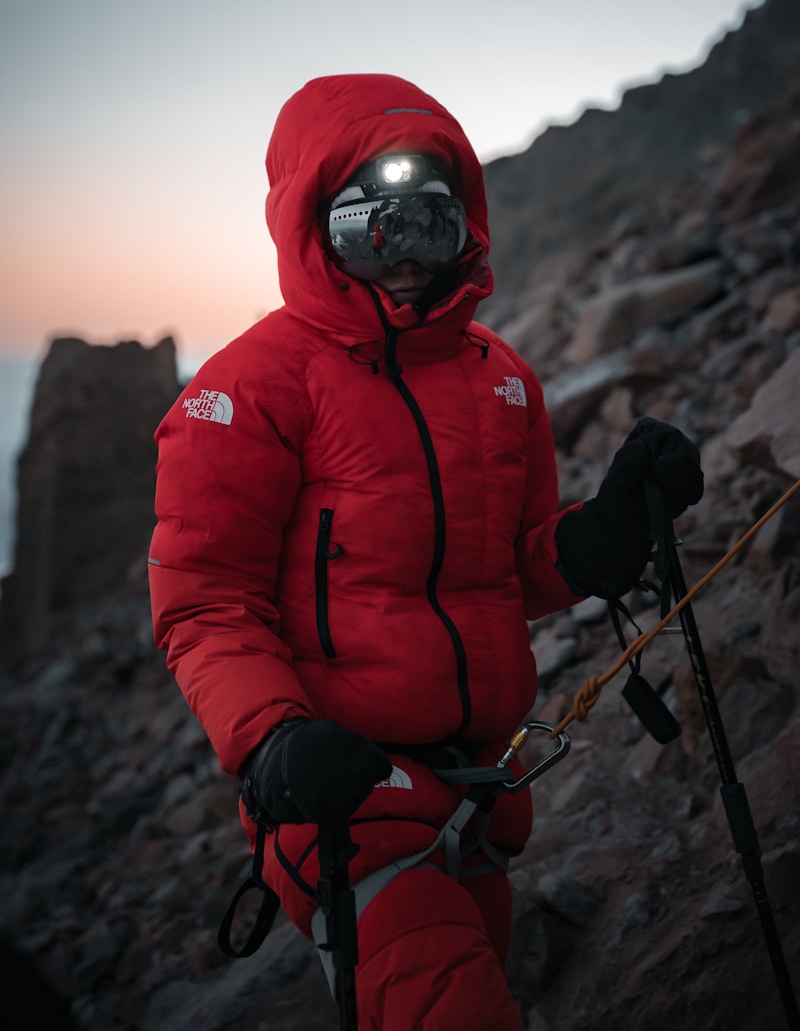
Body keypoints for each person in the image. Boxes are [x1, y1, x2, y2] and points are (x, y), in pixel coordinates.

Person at [148, 73, 703, 1030]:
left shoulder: (502, 379)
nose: (406, 261)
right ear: (314, 228)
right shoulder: (248, 389)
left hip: (481, 798)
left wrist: (598, 540)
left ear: (467, 227)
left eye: (431, 227)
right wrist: (272, 737)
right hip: (341, 801)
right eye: (372, 232)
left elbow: (504, 570)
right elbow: (204, 603)